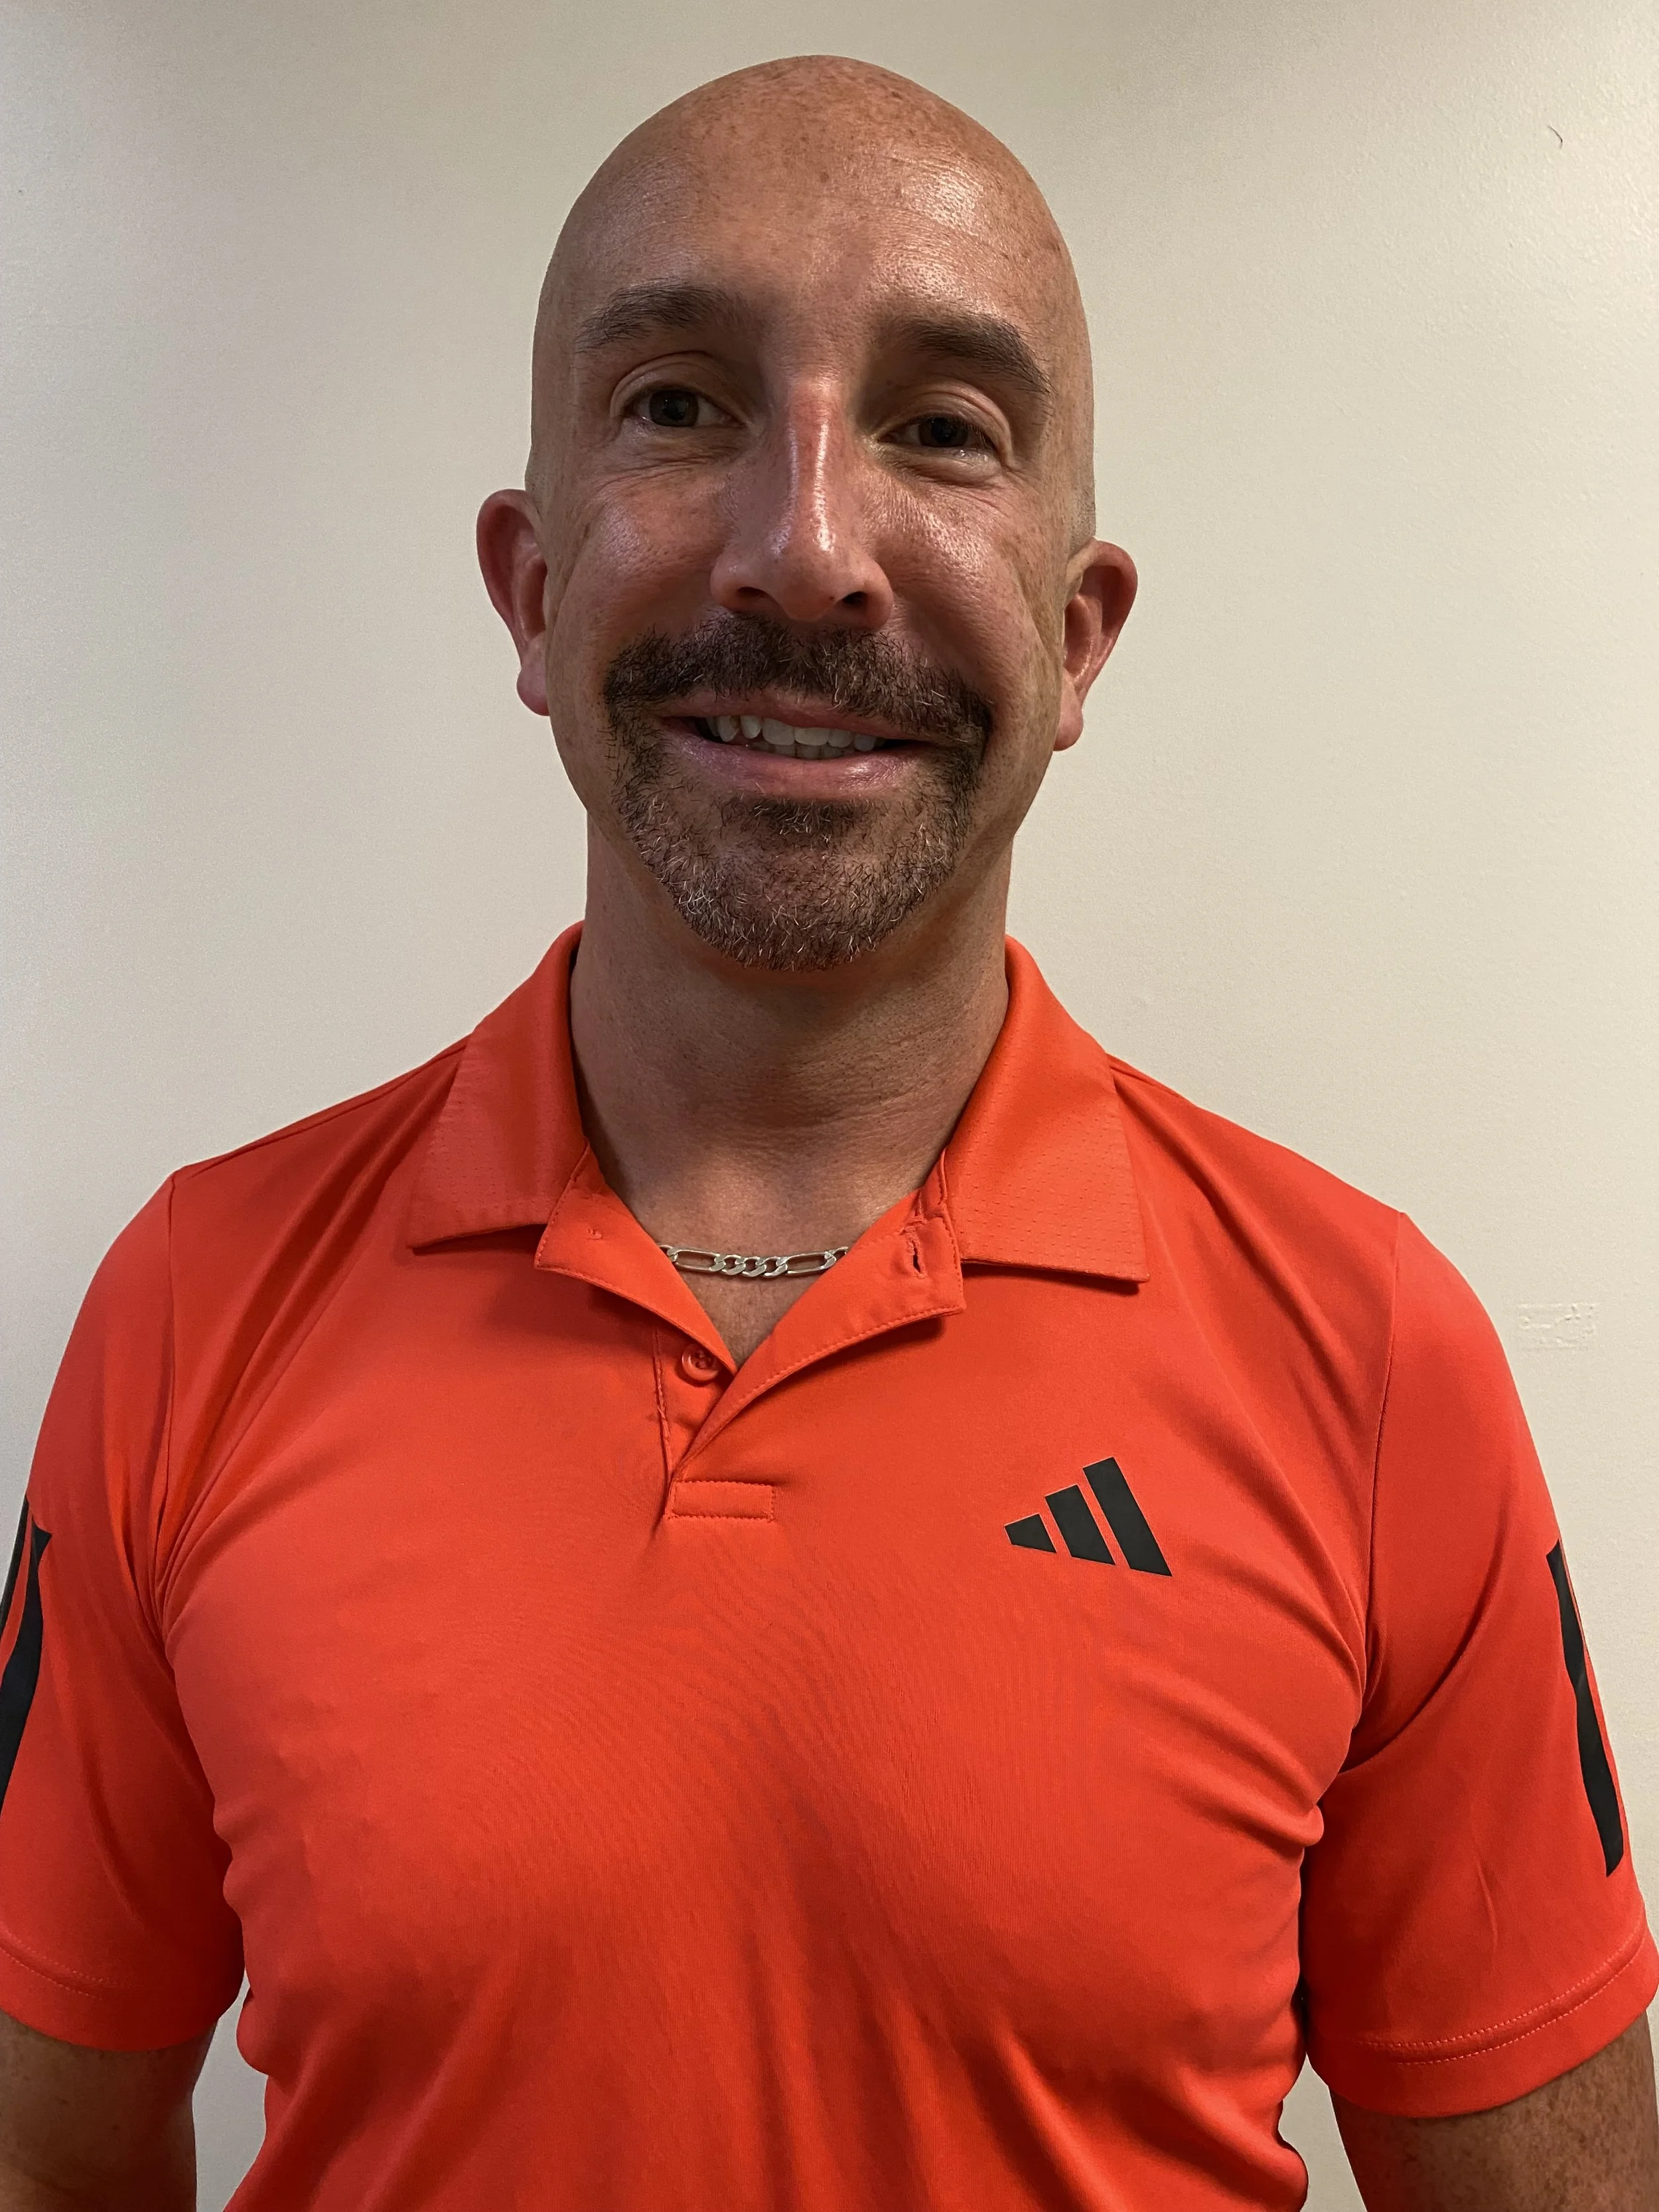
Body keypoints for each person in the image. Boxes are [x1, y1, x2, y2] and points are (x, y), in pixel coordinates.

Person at [0, 52, 1653, 2212]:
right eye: (678, 403)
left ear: (1076, 636)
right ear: (527, 590)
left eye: (941, 428)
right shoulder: (193, 1310)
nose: (803, 550)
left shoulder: (1372, 1360)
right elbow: (45, 2158)